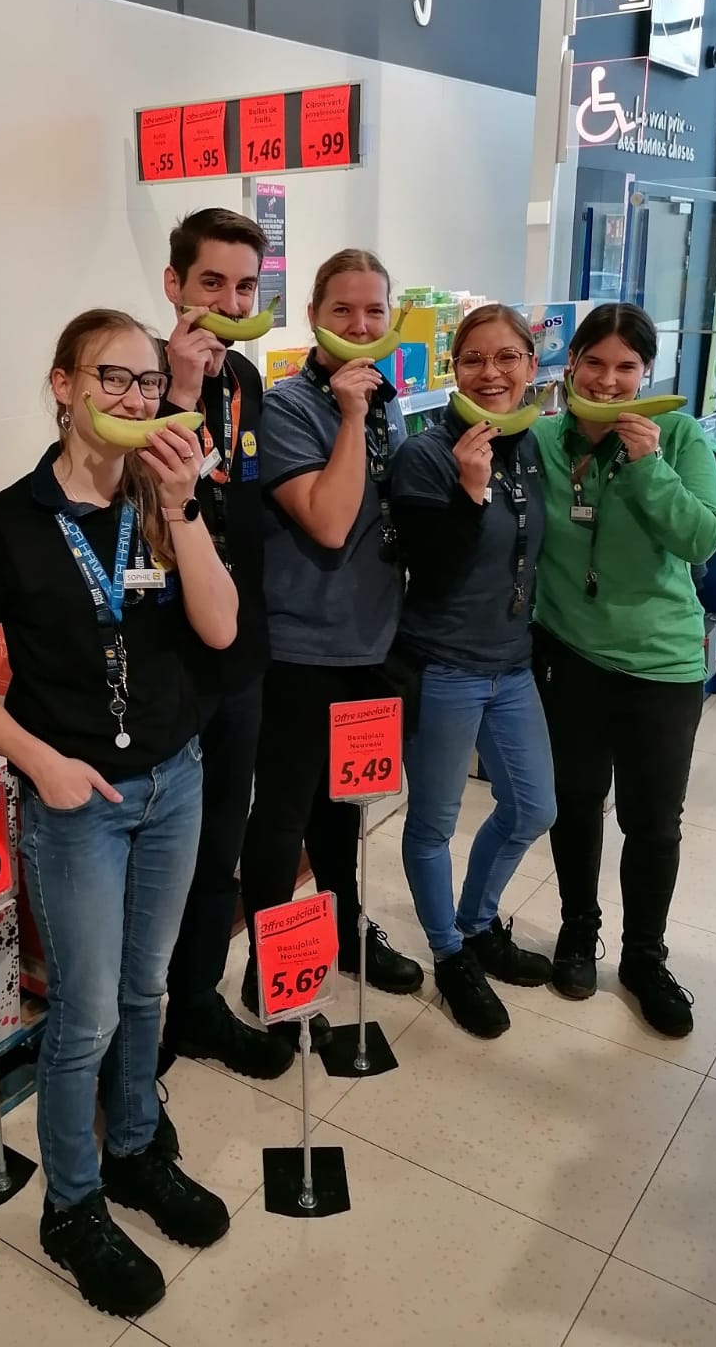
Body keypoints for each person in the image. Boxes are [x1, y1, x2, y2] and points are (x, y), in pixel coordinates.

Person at [0, 308, 236, 1320]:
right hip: (79, 802)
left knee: (148, 990)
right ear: (61, 385)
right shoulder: (7, 524)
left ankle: (139, 1147)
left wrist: (185, 506)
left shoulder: (167, 498)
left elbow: (220, 626)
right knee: (86, 1011)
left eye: (149, 382)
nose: (134, 400)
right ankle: (71, 1202)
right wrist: (38, 762)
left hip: (176, 778)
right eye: (112, 379)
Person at [238, 249, 423, 1045]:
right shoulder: (288, 407)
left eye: (374, 313)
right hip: (300, 647)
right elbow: (328, 520)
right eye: (343, 311)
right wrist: (349, 415)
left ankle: (346, 931)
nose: (359, 326)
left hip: (374, 643)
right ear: (314, 315)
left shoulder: (390, 403)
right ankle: (268, 965)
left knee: (345, 808)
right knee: (282, 814)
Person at [532, 302, 716, 1037]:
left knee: (653, 821)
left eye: (627, 368)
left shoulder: (676, 435)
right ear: (571, 364)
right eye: (595, 363)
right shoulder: (544, 440)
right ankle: (579, 931)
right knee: (577, 802)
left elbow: (704, 535)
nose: (609, 382)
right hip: (569, 654)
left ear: (647, 373)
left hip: (661, 664)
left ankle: (644, 958)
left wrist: (648, 467)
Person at [391, 304, 556, 1039]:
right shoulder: (426, 453)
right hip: (443, 665)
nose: (490, 374)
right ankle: (450, 953)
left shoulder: (535, 445)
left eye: (506, 358)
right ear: (452, 370)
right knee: (433, 823)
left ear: (530, 364)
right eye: (473, 360)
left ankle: (478, 920)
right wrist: (467, 490)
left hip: (513, 662)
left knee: (532, 808)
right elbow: (428, 566)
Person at [157, 209, 292, 1082]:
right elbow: (122, 497)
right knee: (153, 851)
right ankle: (140, 1020)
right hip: (159, 655)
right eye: (213, 283)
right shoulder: (132, 372)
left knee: (219, 843)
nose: (231, 301)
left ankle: (199, 1001)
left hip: (241, 652)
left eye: (246, 287)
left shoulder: (246, 377)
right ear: (175, 285)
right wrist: (172, 391)